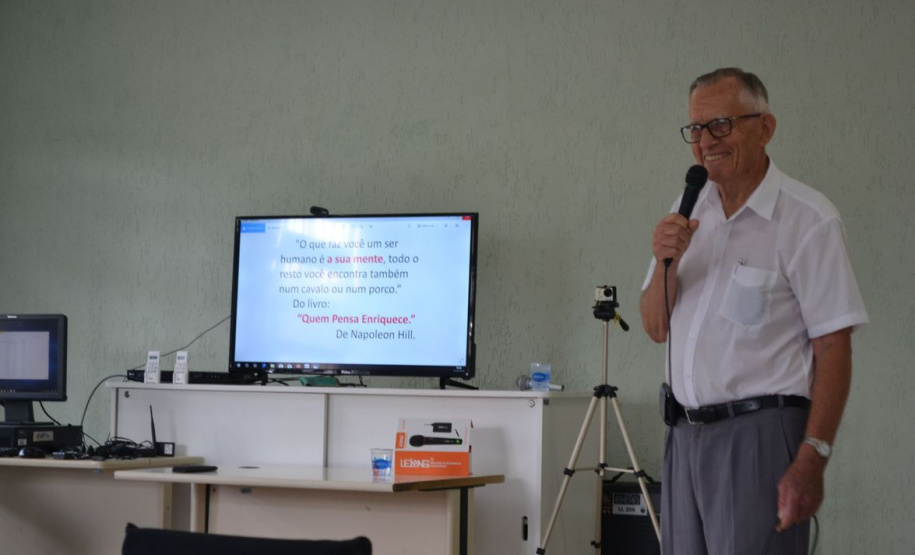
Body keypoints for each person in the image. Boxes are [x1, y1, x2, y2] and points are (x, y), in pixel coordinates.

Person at [640, 68, 868, 554]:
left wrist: (813, 458)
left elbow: (834, 347)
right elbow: (656, 327)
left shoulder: (807, 218)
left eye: (721, 124)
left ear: (765, 128)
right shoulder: (688, 209)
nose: (706, 141)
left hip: (759, 441)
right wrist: (665, 262)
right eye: (696, 129)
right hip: (682, 437)